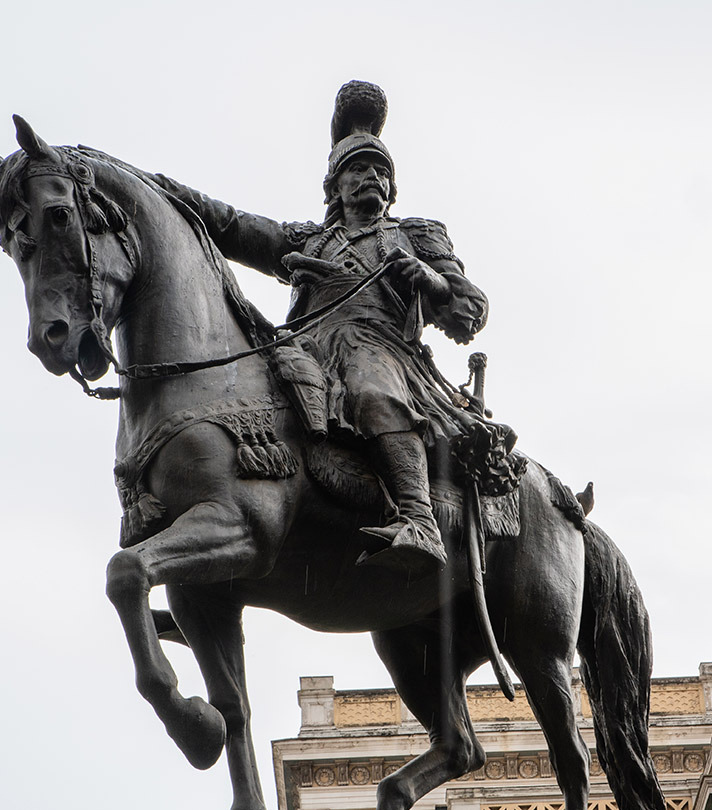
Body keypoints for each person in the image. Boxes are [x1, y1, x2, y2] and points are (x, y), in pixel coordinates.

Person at [154, 81, 488, 573]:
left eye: (380, 170)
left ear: (392, 188)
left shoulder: (414, 233)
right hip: (305, 347)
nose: (371, 176)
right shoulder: (308, 240)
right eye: (357, 169)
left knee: (371, 390)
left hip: (380, 346)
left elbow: (471, 308)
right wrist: (161, 189)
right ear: (335, 186)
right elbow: (230, 224)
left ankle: (419, 519)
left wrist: (432, 278)